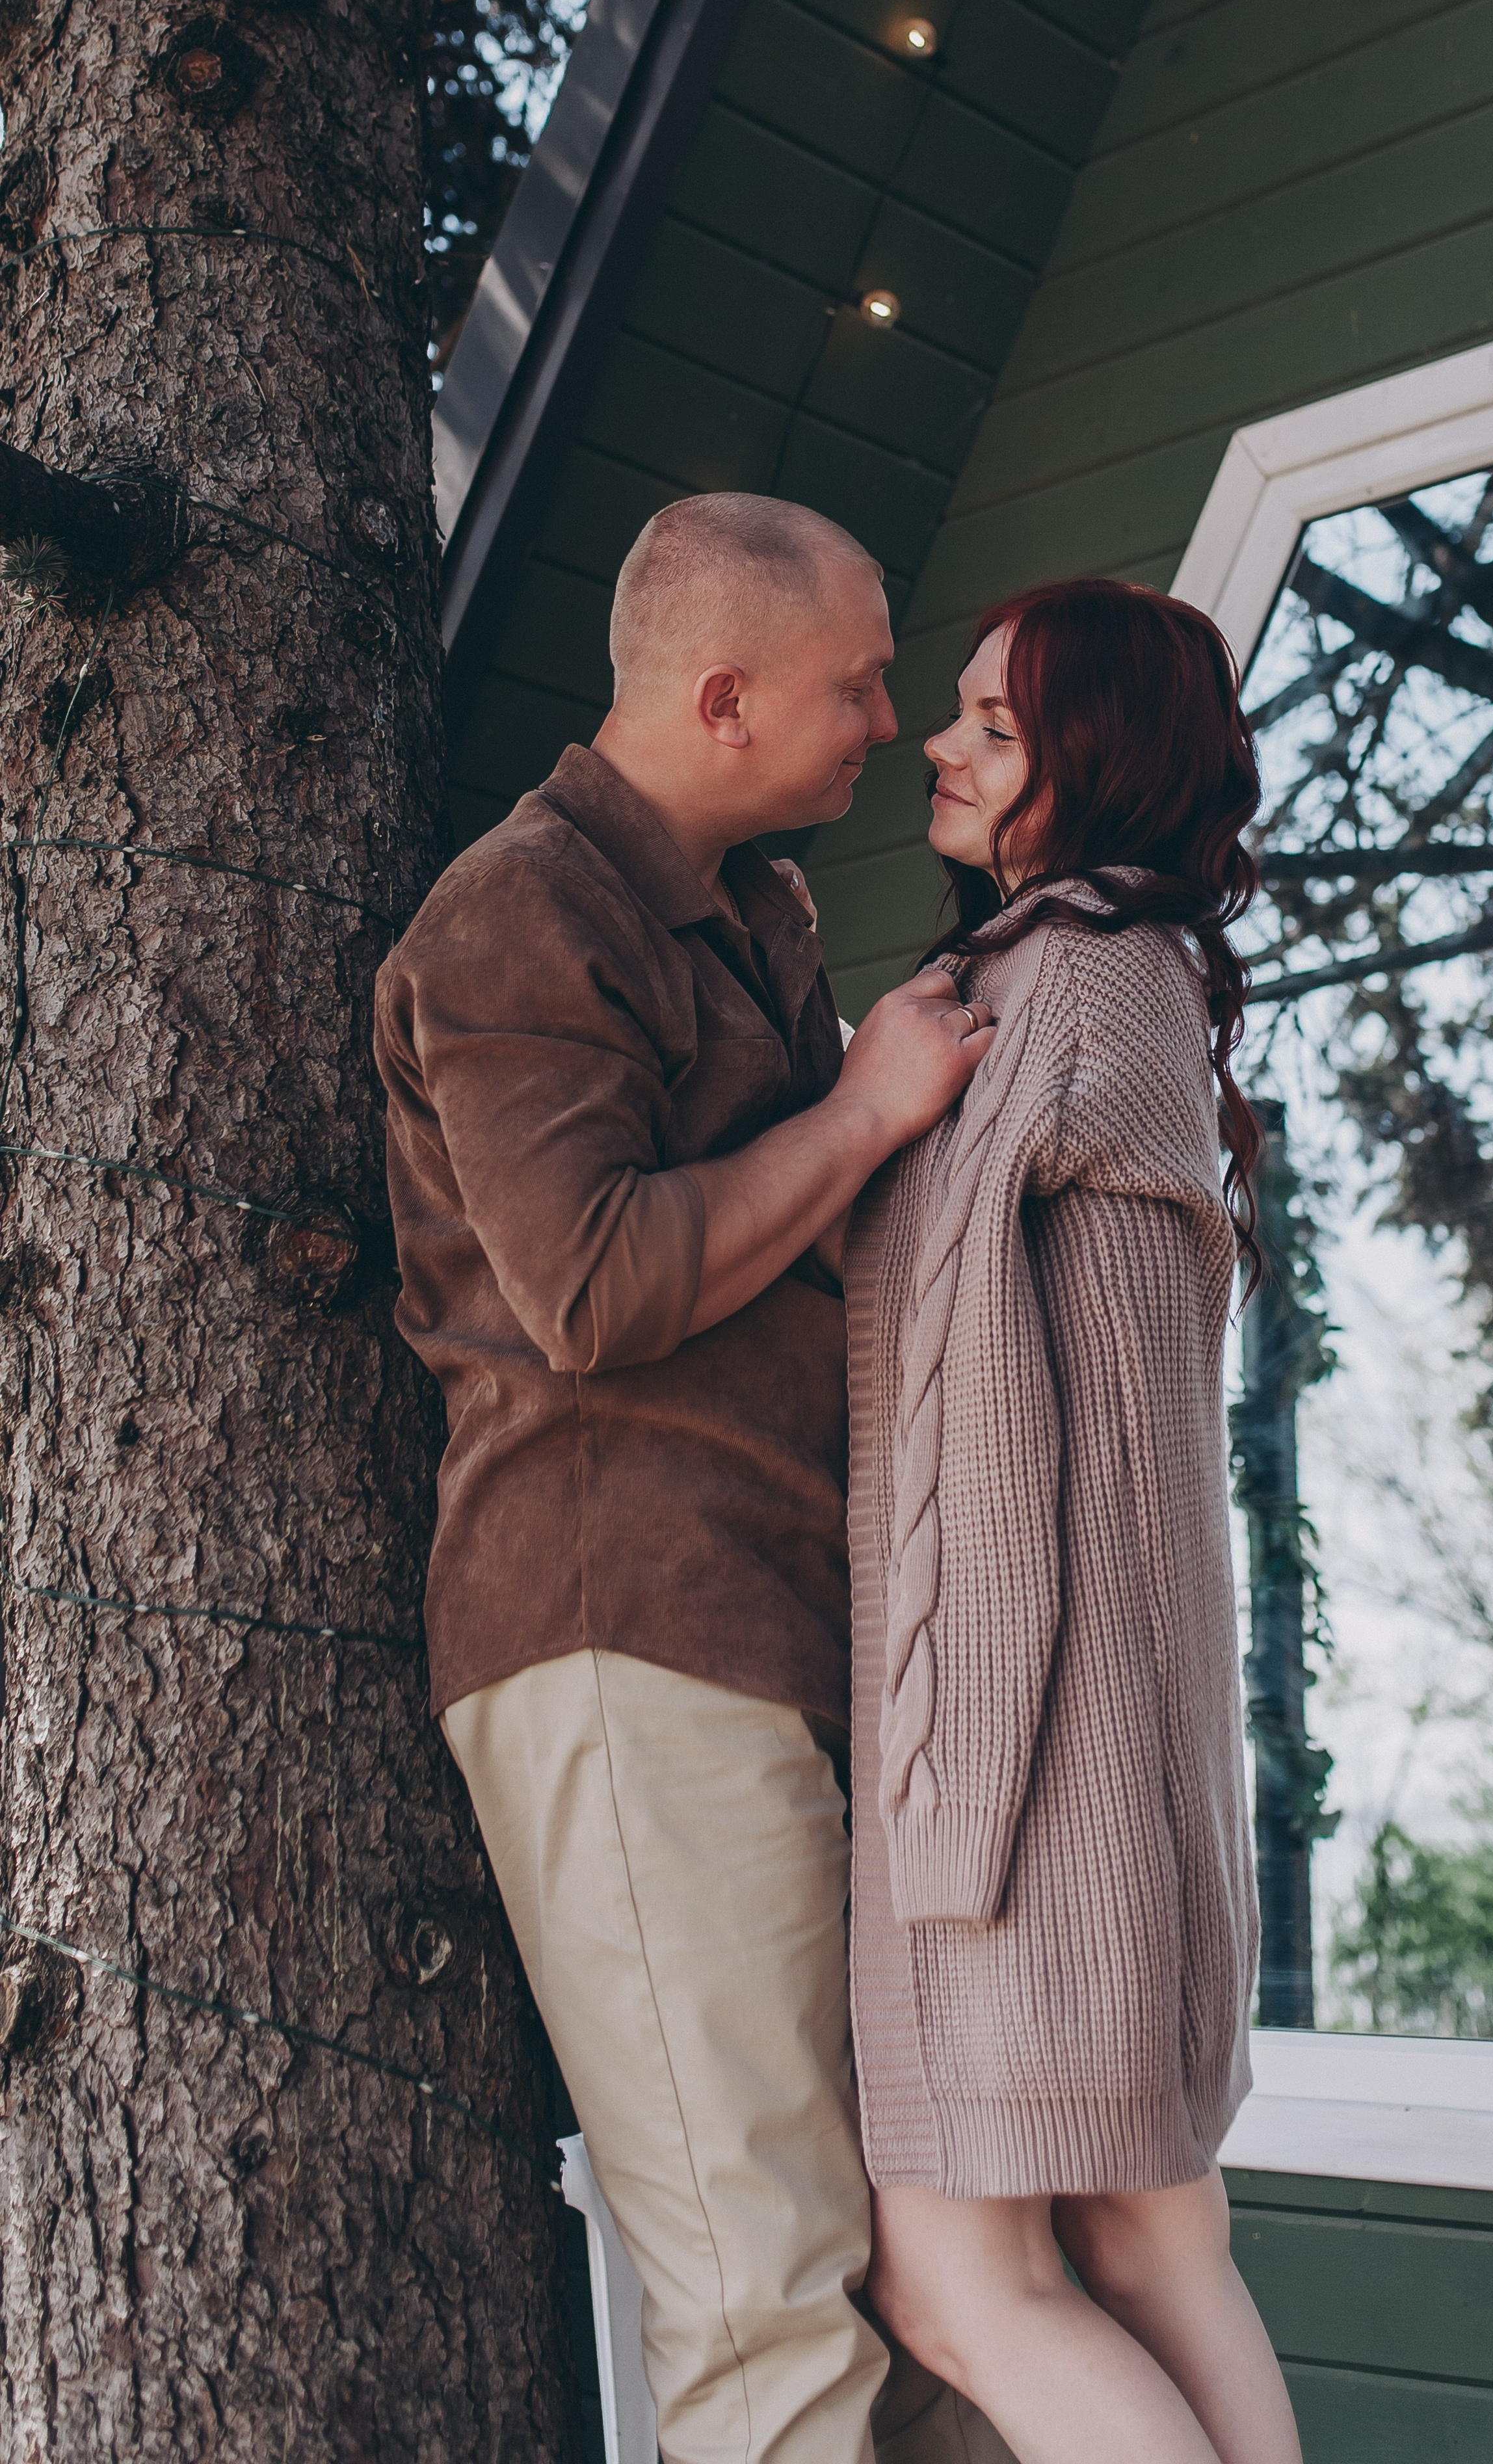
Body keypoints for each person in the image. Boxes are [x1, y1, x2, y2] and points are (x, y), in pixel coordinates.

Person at [373, 494, 1010, 2464]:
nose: (892, 723)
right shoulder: (520, 913)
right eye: (856, 684)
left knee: (936, 2292)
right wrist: (871, 1109)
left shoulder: (763, 915)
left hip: (790, 1636)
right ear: (722, 697)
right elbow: (594, 1282)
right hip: (624, 1645)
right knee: (766, 2309)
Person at [842, 577, 1305, 2464]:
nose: (938, 750)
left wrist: (935, 1824)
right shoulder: (1151, 988)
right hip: (1146, 1778)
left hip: (1022, 1792)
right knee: (1161, 2252)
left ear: (1096, 764)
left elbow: (982, 1450)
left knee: (965, 2287)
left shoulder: (1043, 991)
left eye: (995, 726)